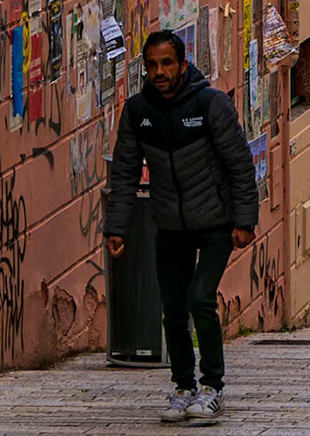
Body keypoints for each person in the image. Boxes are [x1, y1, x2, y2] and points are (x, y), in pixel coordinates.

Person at [105, 31, 258, 425]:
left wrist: (244, 220)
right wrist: (116, 227)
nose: (159, 72)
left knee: (200, 298)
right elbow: (123, 172)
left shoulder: (211, 104)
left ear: (183, 65)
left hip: (215, 223)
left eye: (167, 63)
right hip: (169, 225)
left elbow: (240, 164)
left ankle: (212, 388)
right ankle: (183, 388)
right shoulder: (138, 111)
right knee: (172, 309)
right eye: (152, 65)